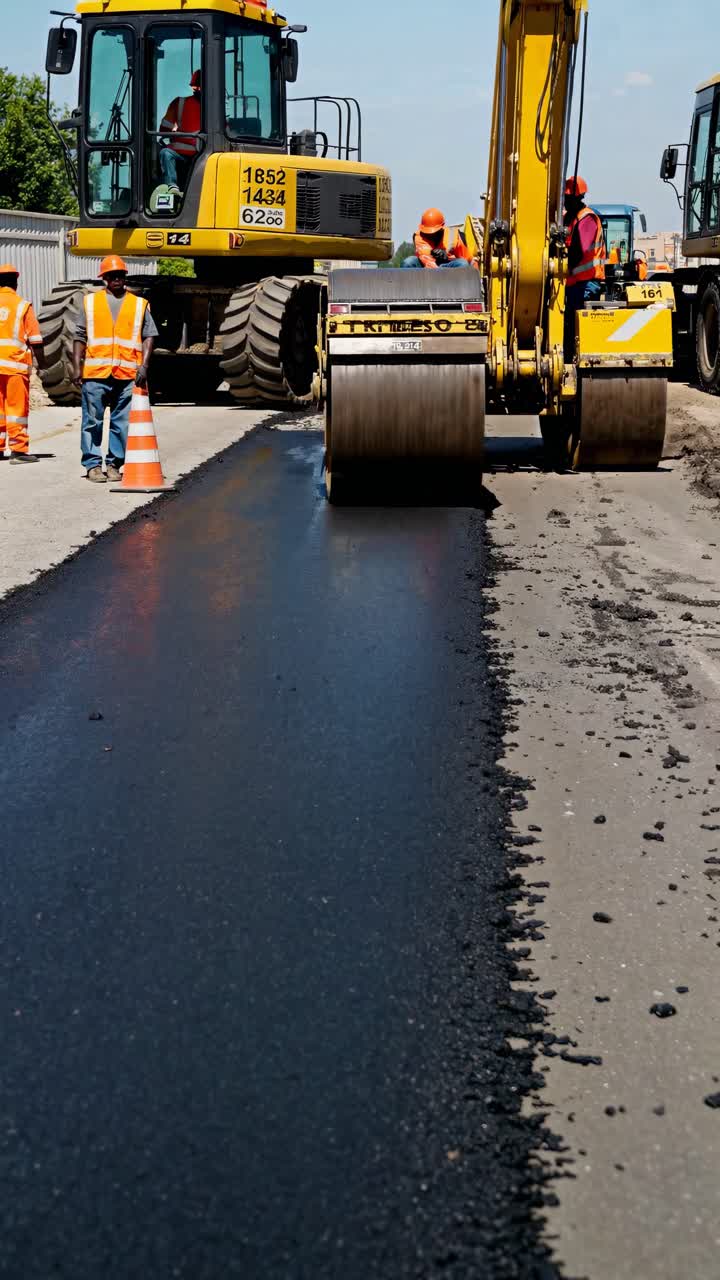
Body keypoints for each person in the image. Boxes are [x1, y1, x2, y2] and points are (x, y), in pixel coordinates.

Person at [72, 256, 157, 483]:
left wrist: (144, 365)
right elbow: (79, 336)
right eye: (111, 275)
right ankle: (92, 466)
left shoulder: (139, 304)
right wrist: (76, 367)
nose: (116, 278)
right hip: (95, 373)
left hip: (128, 373)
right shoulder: (90, 302)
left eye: (120, 275)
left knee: (122, 422)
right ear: (104, 279)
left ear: (124, 277)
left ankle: (113, 464)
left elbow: (149, 335)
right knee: (92, 421)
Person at [0, 264, 45, 464]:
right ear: (16, 282)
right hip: (14, 367)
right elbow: (35, 340)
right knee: (16, 410)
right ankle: (19, 450)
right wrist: (42, 365)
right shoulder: (22, 306)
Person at [564, 177, 606, 356]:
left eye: (566, 199)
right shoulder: (570, 218)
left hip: (586, 283)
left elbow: (578, 251)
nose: (564, 203)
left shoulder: (587, 218)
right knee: (568, 325)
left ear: (576, 198)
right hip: (573, 283)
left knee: (576, 327)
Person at [158, 69, 202, 194]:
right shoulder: (216, 109)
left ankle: (172, 185)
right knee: (166, 153)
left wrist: (175, 131)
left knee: (165, 153)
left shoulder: (179, 103)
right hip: (199, 155)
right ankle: (173, 186)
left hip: (196, 155)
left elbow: (164, 129)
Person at [403, 208, 472, 269]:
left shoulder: (453, 235)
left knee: (463, 263)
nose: (431, 235)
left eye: (435, 232)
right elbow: (425, 258)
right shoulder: (418, 236)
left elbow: (468, 260)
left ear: (442, 227)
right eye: (428, 233)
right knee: (408, 262)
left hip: (448, 267)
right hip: (426, 266)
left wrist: (447, 257)